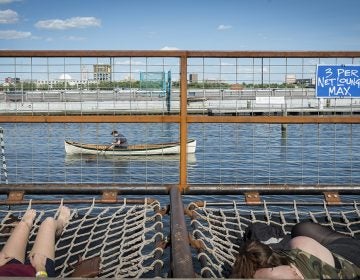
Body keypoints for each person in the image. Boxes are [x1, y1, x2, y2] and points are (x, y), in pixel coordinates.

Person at [230, 221, 360, 279]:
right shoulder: (297, 249)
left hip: (340, 254)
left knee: (301, 230)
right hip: (350, 257)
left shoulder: (297, 254)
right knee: (301, 229)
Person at [0, 206, 71, 277]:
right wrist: (40, 267)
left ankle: (27, 224)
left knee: (22, 225)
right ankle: (61, 222)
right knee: (49, 222)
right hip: (37, 271)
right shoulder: (39, 267)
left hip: (5, 268)